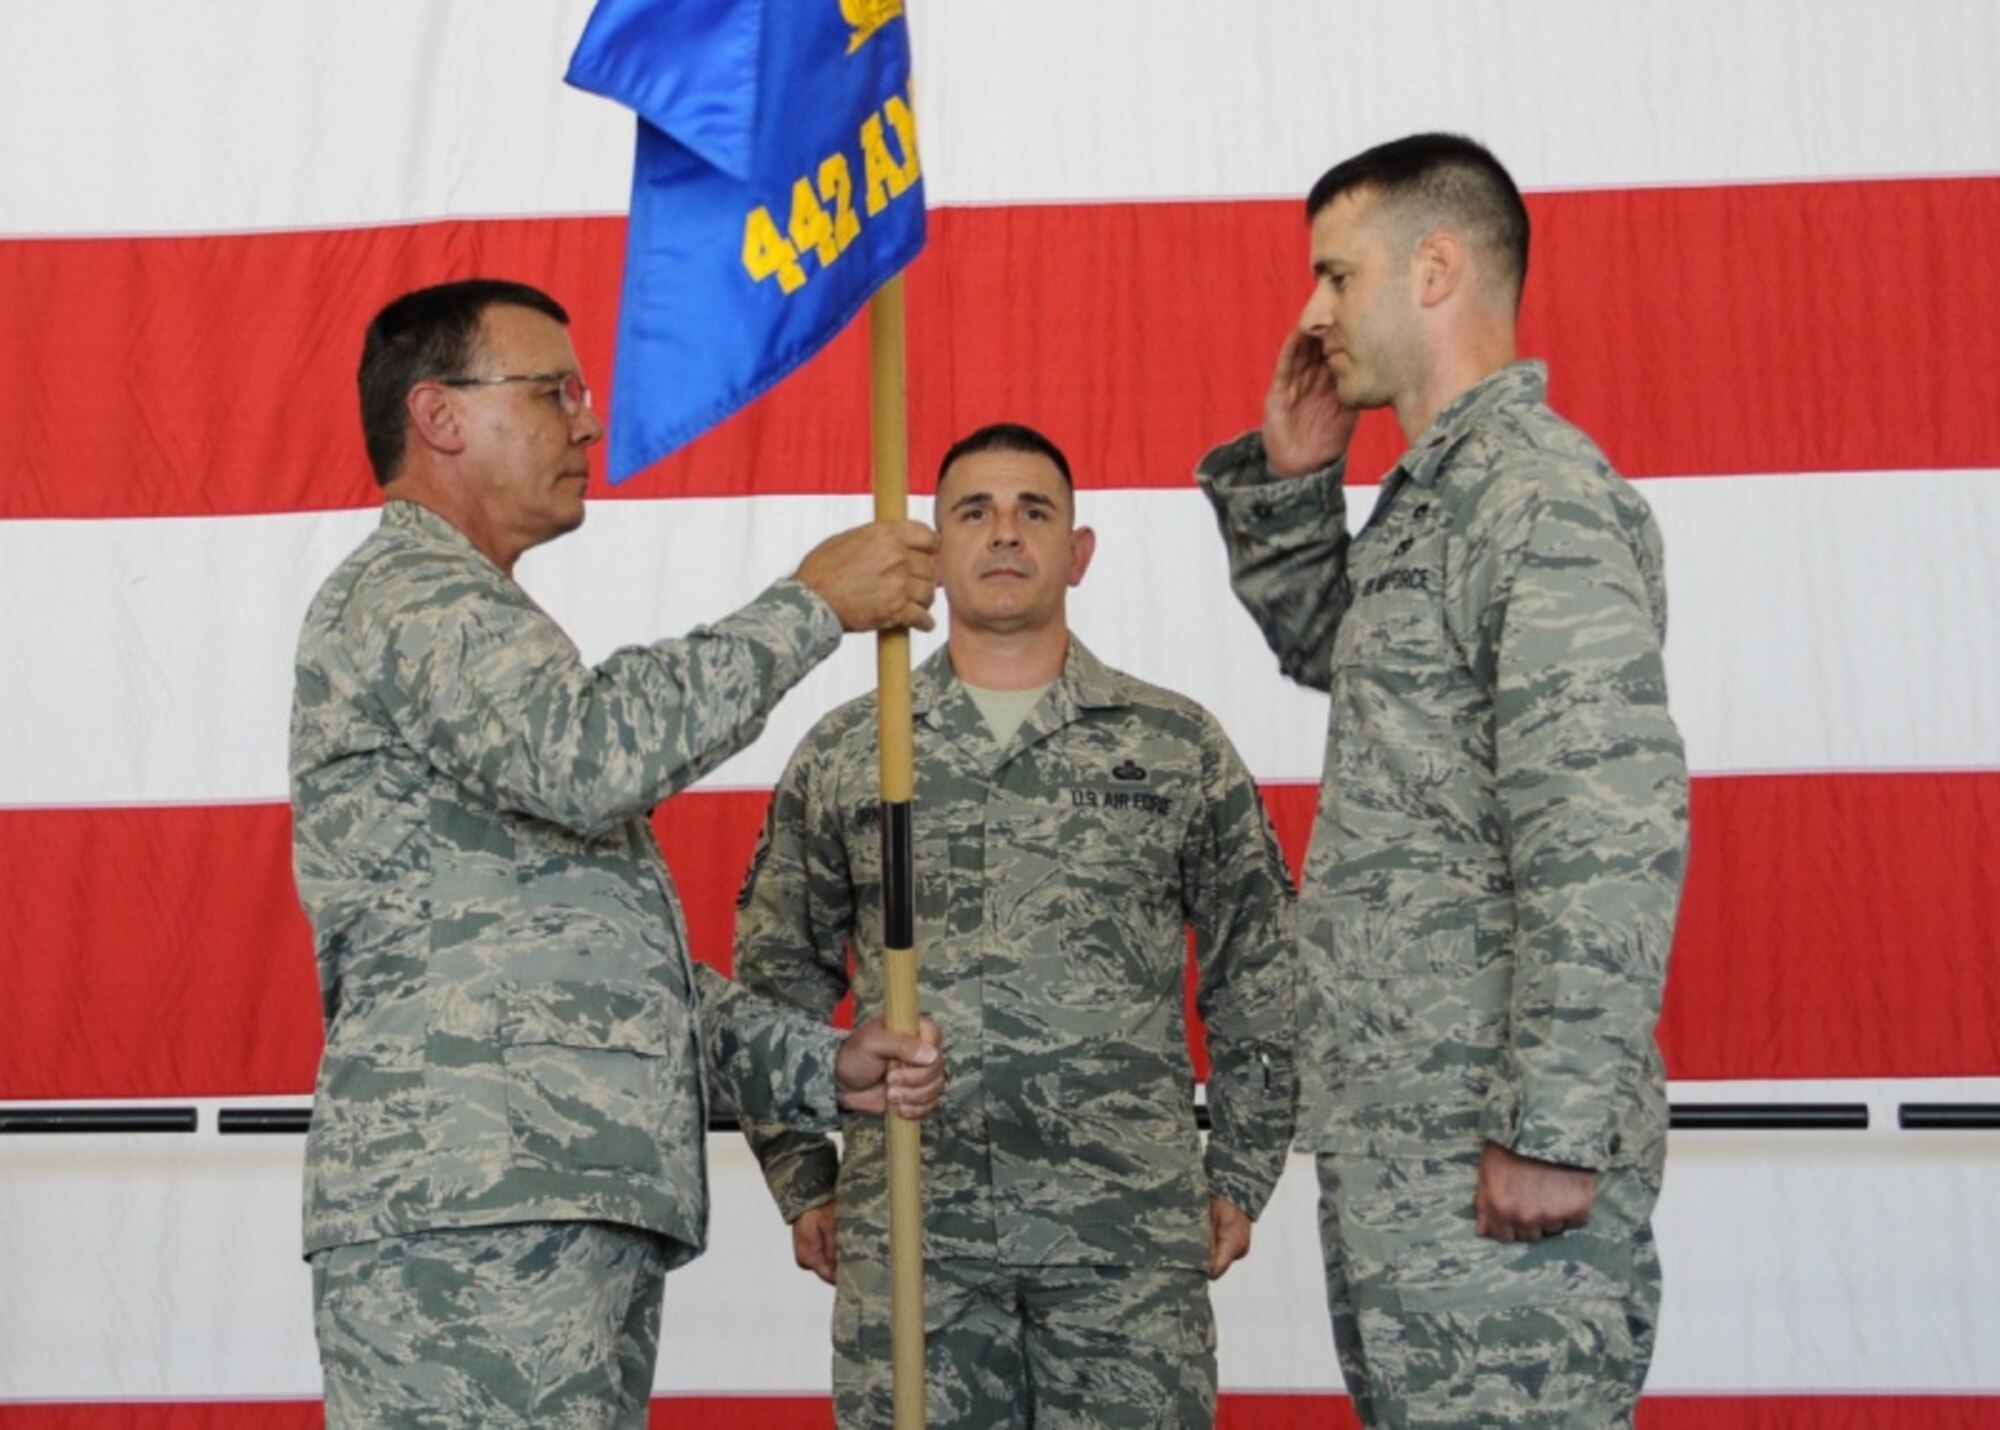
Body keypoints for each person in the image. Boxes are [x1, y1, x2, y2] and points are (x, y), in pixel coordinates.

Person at [290, 277, 947, 1429]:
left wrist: (815, 1063)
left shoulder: (475, 621)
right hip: (472, 1205)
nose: (588, 422)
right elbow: (590, 752)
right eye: (554, 391)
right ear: (439, 415)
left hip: (526, 1197)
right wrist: (806, 605)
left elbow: (591, 964)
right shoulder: (406, 597)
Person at [1196, 134, 1689, 1426]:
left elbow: (1607, 826)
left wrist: (1554, 1123)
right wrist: (1296, 490)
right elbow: (1348, 662)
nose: (1311, 312)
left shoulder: (1540, 502)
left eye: (1334, 274)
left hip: (1495, 1138)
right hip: (1408, 1132)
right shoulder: (1433, 501)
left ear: (1433, 266)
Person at [735, 422, 1298, 1428]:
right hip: (914, 1232)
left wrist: (1242, 1169)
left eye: (1033, 510)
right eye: (973, 512)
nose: (1004, 533)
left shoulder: (1174, 747)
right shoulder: (850, 753)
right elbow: (774, 969)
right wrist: (797, 1169)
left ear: (1076, 552)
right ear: (936, 553)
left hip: (1122, 1235)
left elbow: (1259, 968)